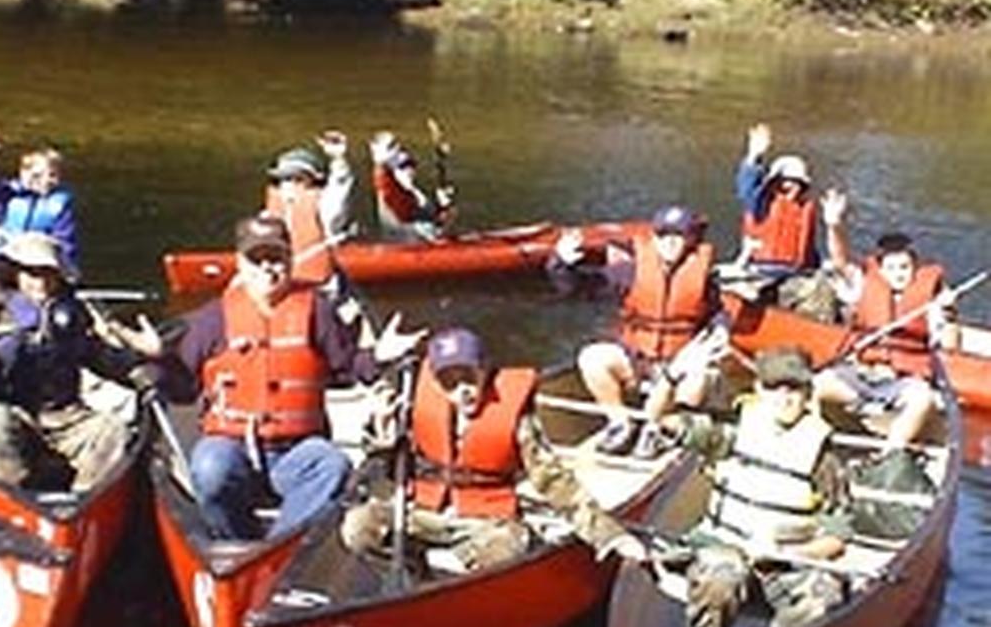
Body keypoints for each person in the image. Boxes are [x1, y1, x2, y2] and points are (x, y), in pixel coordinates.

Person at [130, 213, 423, 540]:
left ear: (290, 260)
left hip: (297, 449)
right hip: (232, 447)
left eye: (276, 259)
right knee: (209, 468)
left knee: (333, 465)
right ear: (240, 264)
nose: (267, 269)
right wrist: (158, 359)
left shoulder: (318, 312)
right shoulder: (212, 320)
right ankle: (235, 541)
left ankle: (281, 544)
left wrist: (380, 356)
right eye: (257, 260)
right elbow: (183, 387)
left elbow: (347, 368)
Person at [338, 327, 645, 574]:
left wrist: (609, 534)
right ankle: (414, 571)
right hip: (423, 512)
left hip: (487, 519)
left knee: (505, 550)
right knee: (358, 527)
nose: (462, 390)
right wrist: (381, 435)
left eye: (468, 377)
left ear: (484, 370)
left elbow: (554, 481)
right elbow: (385, 466)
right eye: (449, 382)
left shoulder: (514, 417)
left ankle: (462, 586)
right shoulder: (413, 403)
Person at [673, 347, 853, 627]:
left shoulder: (825, 458)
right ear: (758, 389)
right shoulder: (730, 431)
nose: (785, 398)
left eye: (794, 389)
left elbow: (837, 537)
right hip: (723, 548)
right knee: (722, 575)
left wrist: (790, 552)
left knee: (825, 594)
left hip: (783, 564)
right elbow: (663, 418)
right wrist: (671, 379)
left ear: (808, 394)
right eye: (774, 388)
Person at [0, 231, 140, 493]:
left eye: (48, 274)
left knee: (112, 429)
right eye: (32, 273)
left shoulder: (69, 315)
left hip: (66, 418)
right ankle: (13, 495)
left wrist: (140, 371)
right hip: (16, 414)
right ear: (15, 273)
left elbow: (99, 357)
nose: (41, 282)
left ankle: (82, 496)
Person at [567, 204, 728, 460]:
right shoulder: (630, 271)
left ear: (689, 240)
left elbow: (718, 313)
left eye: (678, 236)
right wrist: (563, 266)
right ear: (654, 239)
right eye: (664, 235)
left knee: (702, 375)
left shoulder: (703, 276)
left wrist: (720, 331)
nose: (670, 243)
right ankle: (620, 423)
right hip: (639, 360)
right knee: (592, 358)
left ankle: (661, 429)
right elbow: (585, 286)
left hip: (678, 364)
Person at [811, 189, 957, 448]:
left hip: (904, 381)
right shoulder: (864, 283)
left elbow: (950, 345)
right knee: (816, 386)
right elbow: (841, 261)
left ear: (914, 267)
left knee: (923, 400)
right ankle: (825, 439)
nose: (899, 274)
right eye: (891, 268)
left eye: (904, 267)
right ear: (880, 269)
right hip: (864, 374)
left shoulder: (931, 299)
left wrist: (950, 313)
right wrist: (834, 225)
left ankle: (892, 451)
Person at [731, 122, 839, 319]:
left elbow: (809, 249)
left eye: (795, 181)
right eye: (782, 181)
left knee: (823, 293)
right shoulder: (760, 202)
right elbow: (745, 186)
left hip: (797, 272)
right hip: (761, 270)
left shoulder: (805, 208)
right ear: (773, 183)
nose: (788, 185)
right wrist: (753, 156)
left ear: (803, 185)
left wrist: (821, 267)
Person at [0, 121, 80, 276]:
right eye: (37, 175)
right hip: (0, 255)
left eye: (53, 175)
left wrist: (66, 269)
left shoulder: (59, 205)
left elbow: (66, 242)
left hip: (36, 262)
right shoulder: (8, 196)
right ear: (22, 173)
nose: (46, 181)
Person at [262, 132, 355, 288]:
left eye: (298, 179)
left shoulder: (324, 207)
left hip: (320, 286)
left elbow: (339, 189)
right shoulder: (268, 215)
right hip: (280, 286)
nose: (290, 184)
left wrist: (339, 160)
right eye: (284, 178)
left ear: (314, 181)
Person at [368, 130, 451, 243]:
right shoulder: (385, 176)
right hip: (404, 231)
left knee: (442, 209)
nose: (411, 170)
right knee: (442, 214)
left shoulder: (392, 172)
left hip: (408, 219)